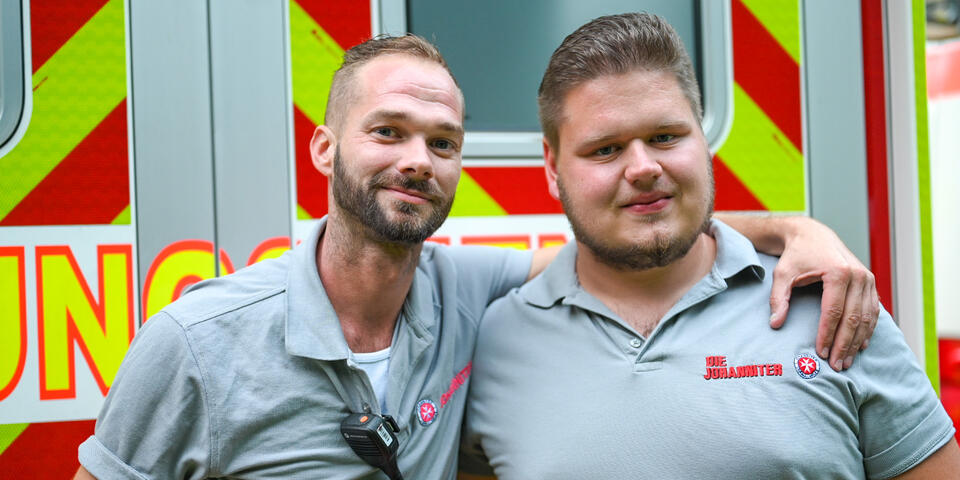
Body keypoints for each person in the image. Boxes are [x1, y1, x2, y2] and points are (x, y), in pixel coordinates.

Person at [76, 34, 876, 479]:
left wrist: (790, 231)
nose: (416, 161)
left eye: (443, 142)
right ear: (323, 149)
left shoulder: (467, 291)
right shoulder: (195, 344)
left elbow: (627, 237)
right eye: (387, 132)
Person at [459, 12, 960, 480]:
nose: (643, 168)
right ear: (552, 167)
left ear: (701, 139)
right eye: (605, 149)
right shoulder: (495, 342)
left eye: (665, 136)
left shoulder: (833, 303)